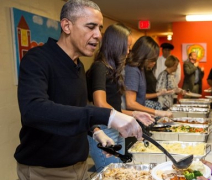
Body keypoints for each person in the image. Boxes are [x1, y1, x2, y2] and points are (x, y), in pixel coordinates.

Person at [15, 1, 142, 179]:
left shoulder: (78, 66)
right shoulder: (38, 59)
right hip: (45, 169)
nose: (98, 35)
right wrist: (107, 116)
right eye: (91, 27)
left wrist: (96, 131)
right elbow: (33, 110)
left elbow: (77, 107)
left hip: (79, 165)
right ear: (67, 26)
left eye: (99, 28)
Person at [86, 23, 154, 171]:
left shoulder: (113, 70)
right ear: (116, 45)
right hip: (103, 129)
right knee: (109, 172)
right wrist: (125, 118)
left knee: (119, 171)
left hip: (116, 128)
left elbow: (115, 109)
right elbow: (100, 103)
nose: (129, 51)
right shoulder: (100, 67)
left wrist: (135, 114)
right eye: (127, 46)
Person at [124, 36, 173, 153]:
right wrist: (156, 112)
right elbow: (130, 103)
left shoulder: (139, 69)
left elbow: (140, 97)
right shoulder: (132, 70)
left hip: (136, 120)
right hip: (129, 121)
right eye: (152, 59)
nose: (154, 63)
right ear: (144, 55)